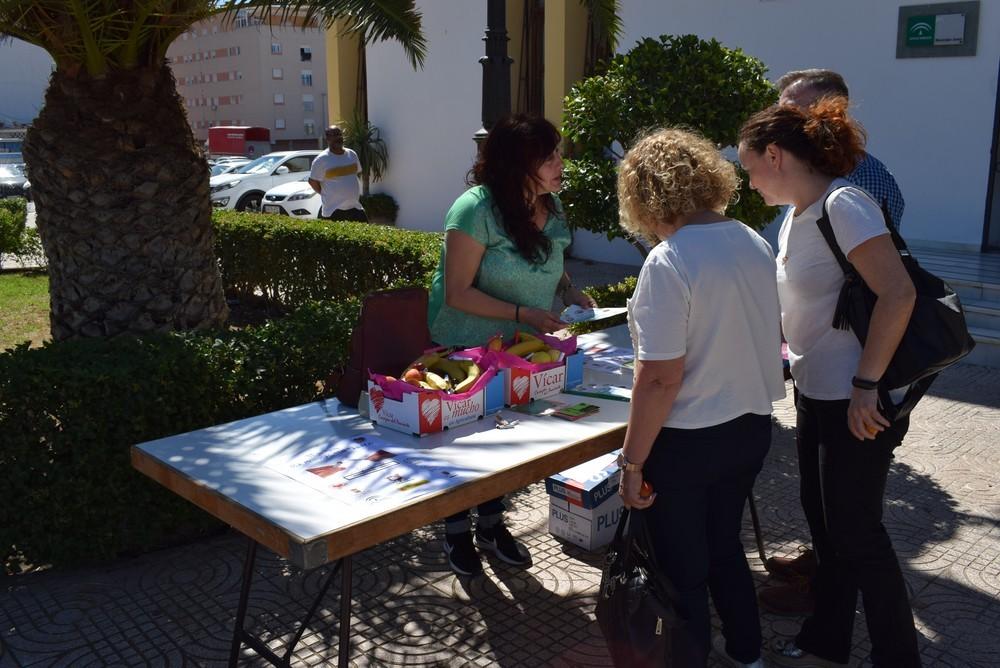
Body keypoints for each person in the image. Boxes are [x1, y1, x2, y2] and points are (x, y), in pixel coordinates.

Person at [738, 98, 920, 667]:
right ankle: (827, 640)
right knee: (828, 528)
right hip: (818, 391)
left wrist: (867, 384)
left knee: (858, 533)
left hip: (857, 399)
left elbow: (899, 293)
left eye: (749, 168)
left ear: (775, 155)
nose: (748, 182)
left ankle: (898, 658)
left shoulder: (846, 204)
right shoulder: (799, 213)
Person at [616, 128, 785, 668]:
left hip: (690, 440)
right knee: (724, 547)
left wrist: (631, 462)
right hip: (750, 425)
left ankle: (689, 658)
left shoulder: (670, 260)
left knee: (683, 567)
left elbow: (661, 379)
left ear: (644, 195)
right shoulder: (753, 240)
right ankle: (747, 653)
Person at [426, 114, 597, 576]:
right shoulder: (474, 209)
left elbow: (549, 258)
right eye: (550, 156)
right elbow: (458, 292)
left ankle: (492, 525)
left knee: (505, 441)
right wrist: (524, 314)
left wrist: (568, 291)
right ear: (516, 163)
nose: (562, 163)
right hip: (467, 346)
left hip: (522, 345)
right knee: (464, 444)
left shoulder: (552, 204)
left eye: (559, 152)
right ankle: (456, 532)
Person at [777, 69, 905, 230]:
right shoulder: (811, 167)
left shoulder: (860, 175)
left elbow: (873, 249)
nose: (778, 120)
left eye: (789, 111)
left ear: (831, 109)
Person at [308, 124, 367, 222]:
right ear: (327, 139)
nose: (338, 137)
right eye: (334, 135)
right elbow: (312, 181)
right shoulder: (321, 160)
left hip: (355, 207)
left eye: (339, 134)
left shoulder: (352, 154)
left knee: (366, 236)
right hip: (333, 211)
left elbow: (355, 174)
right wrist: (325, 193)